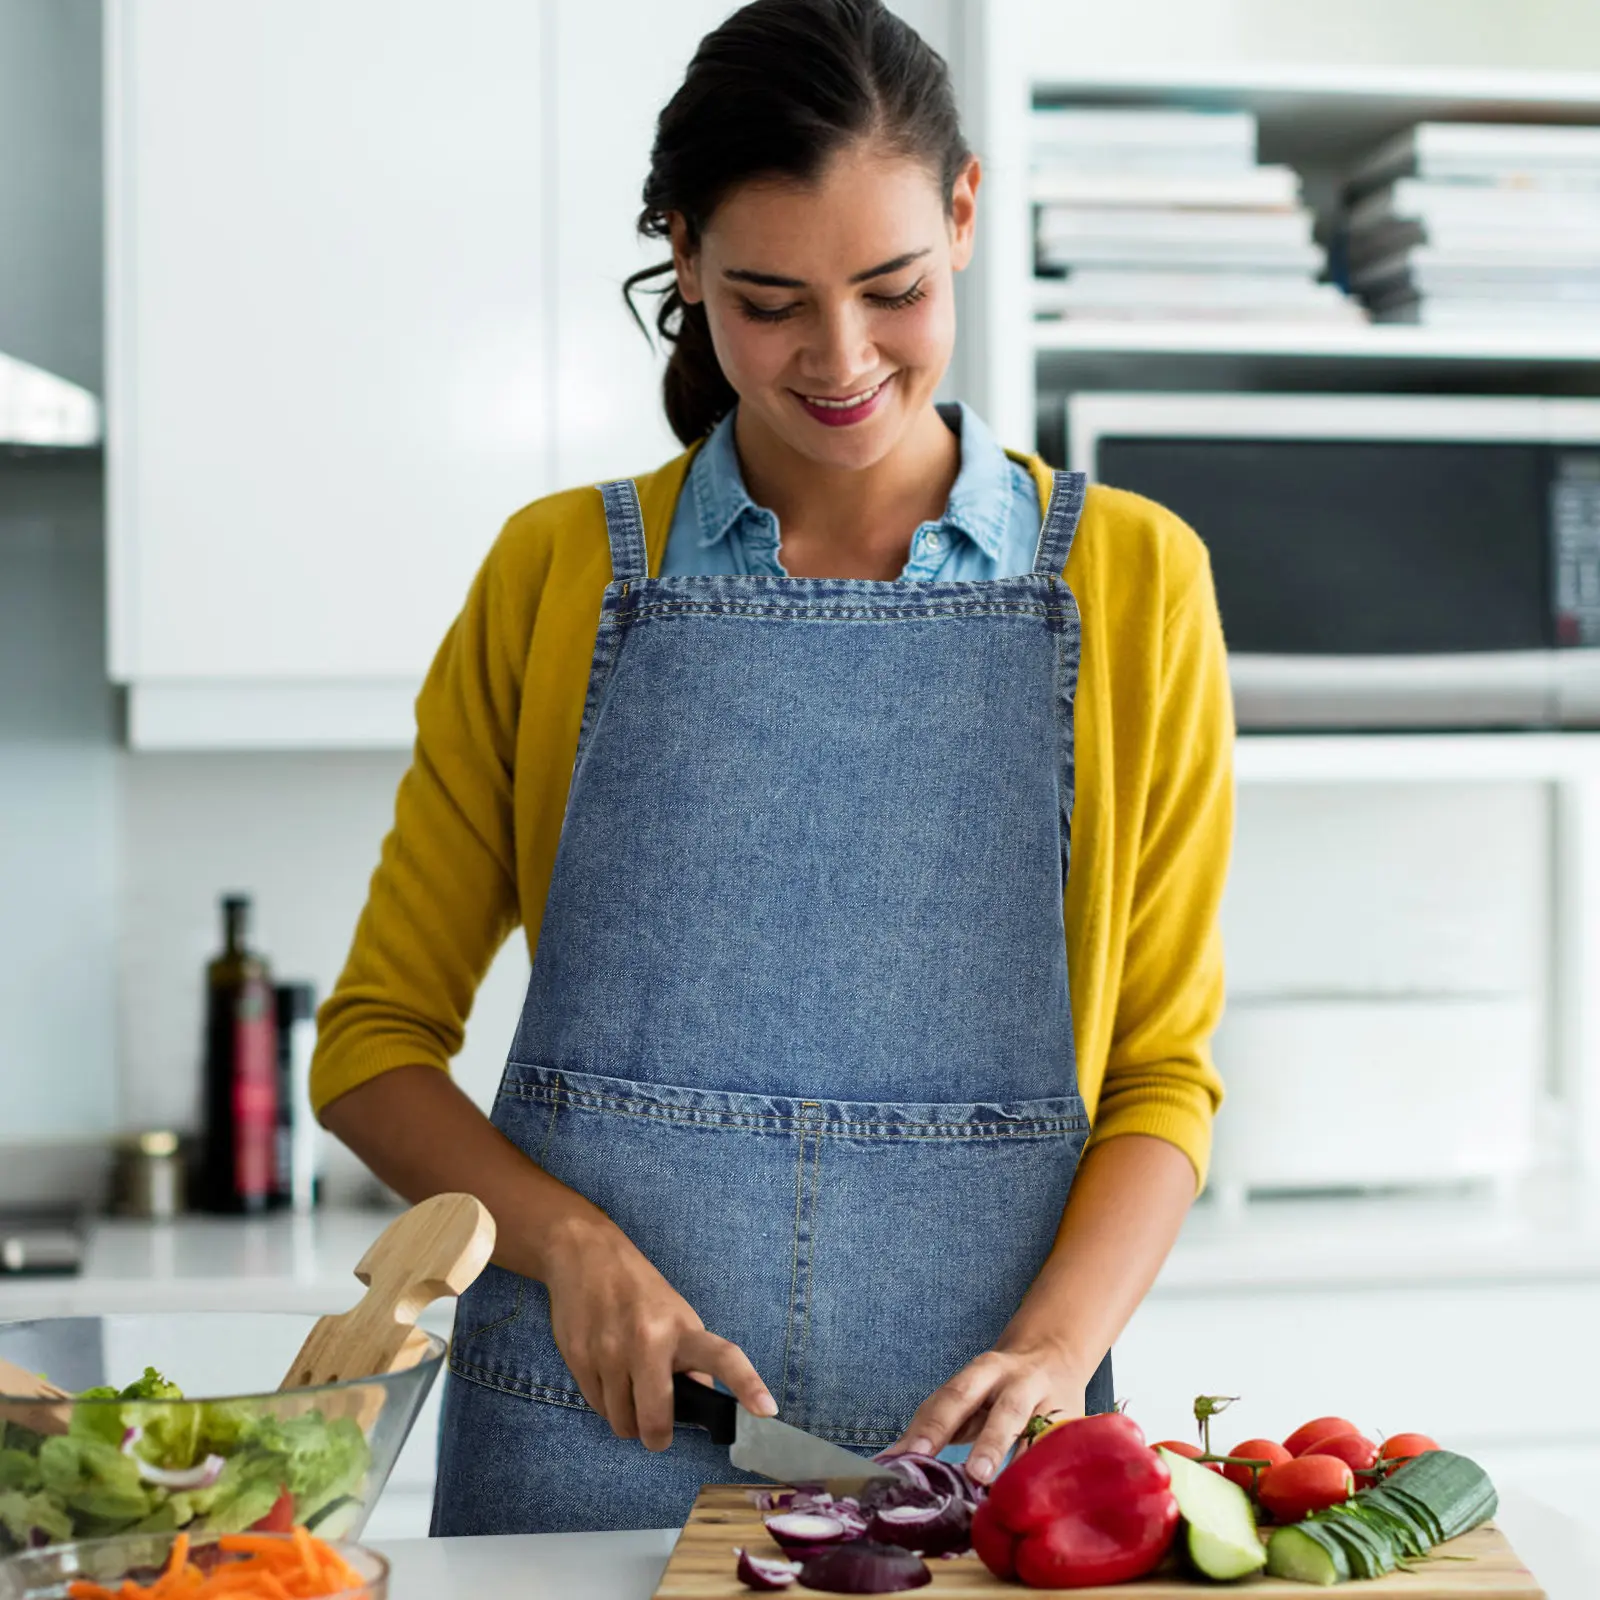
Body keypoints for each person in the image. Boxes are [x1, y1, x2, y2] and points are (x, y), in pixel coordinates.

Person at [312, 0, 1233, 1536]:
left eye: (894, 290)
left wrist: (1058, 1348)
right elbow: (372, 1049)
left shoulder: (1136, 582)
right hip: (584, 1424)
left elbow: (1164, 1077)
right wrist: (570, 1249)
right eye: (768, 301)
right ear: (681, 257)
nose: (842, 358)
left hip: (996, 1447)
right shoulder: (555, 577)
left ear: (963, 214)